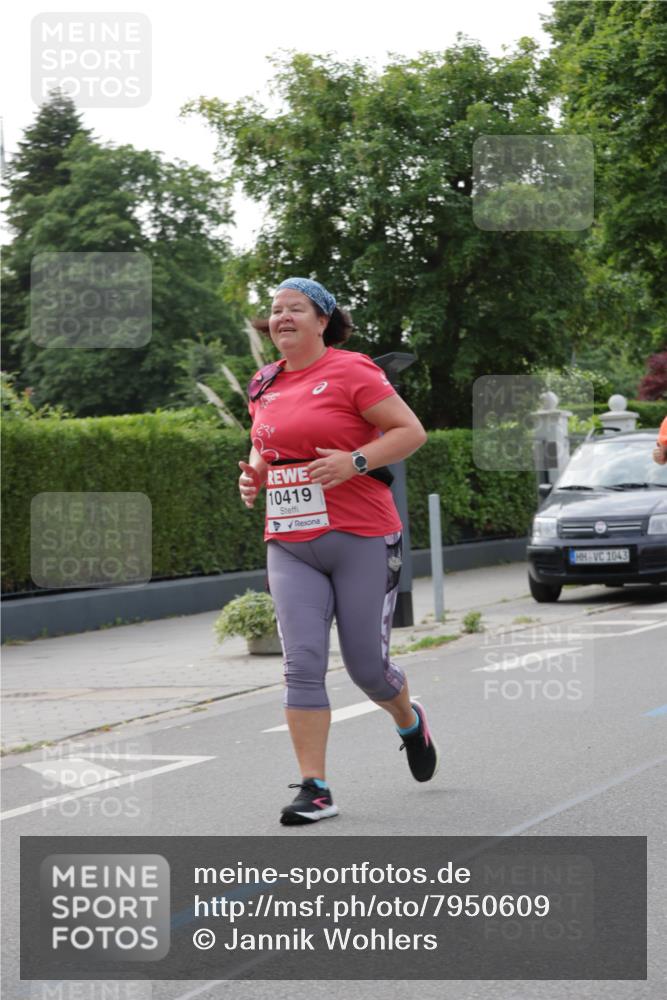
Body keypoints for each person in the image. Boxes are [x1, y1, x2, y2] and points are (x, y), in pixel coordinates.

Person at [238, 276, 438, 825]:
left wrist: (354, 461)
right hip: (290, 542)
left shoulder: (352, 370)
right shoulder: (263, 382)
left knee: (367, 670)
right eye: (275, 310)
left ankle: (409, 720)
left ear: (322, 320)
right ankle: (315, 788)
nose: (281, 318)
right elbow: (265, 442)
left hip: (361, 536)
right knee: (301, 664)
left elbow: (409, 431)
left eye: (295, 309)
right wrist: (254, 477)